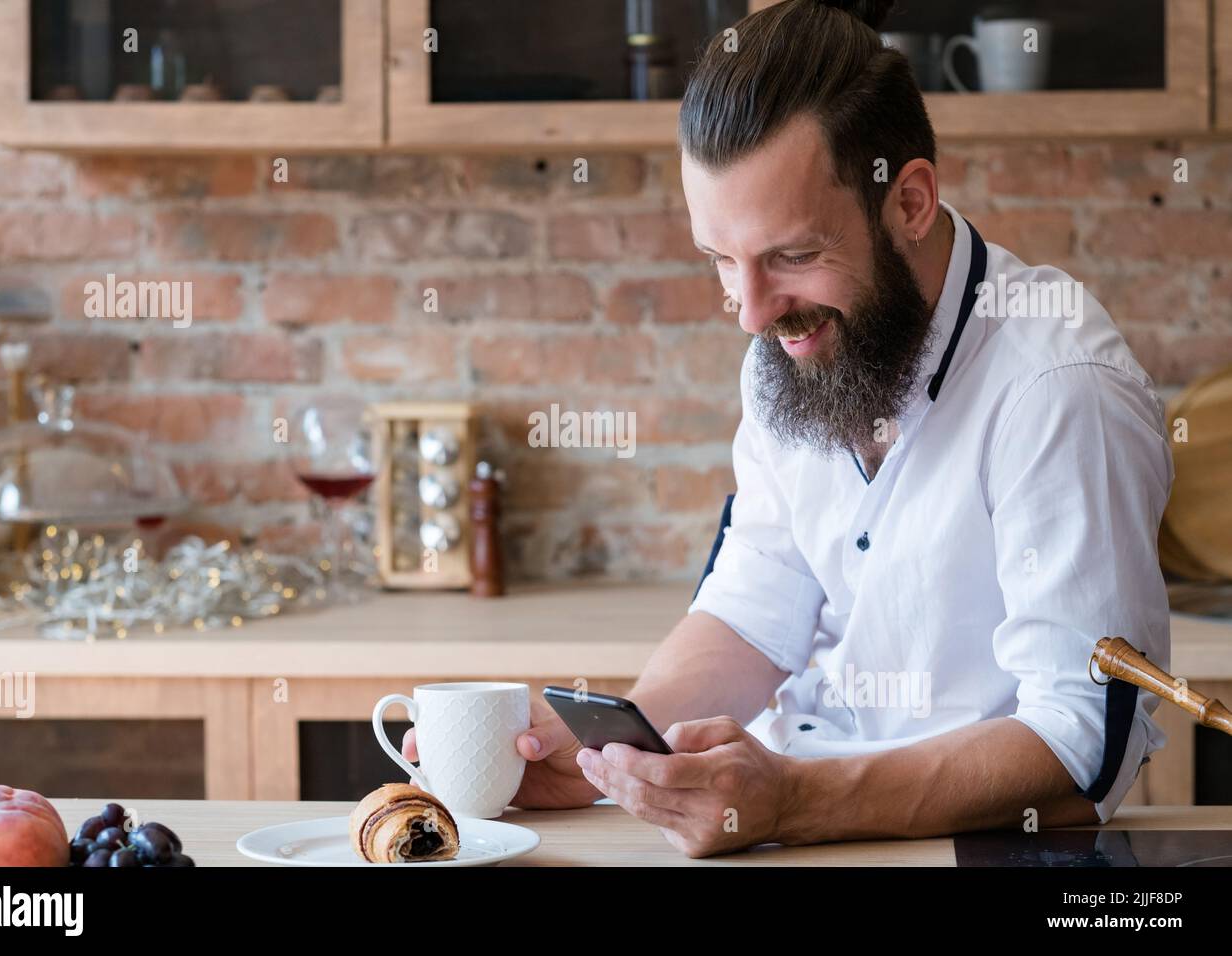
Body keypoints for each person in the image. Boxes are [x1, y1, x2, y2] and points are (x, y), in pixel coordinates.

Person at [404, 0, 1173, 858]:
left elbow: (1082, 743)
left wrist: (796, 802)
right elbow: (751, 610)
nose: (751, 313)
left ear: (910, 201)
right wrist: (610, 751)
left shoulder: (1059, 388)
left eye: (792, 256)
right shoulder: (792, 343)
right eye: (722, 261)